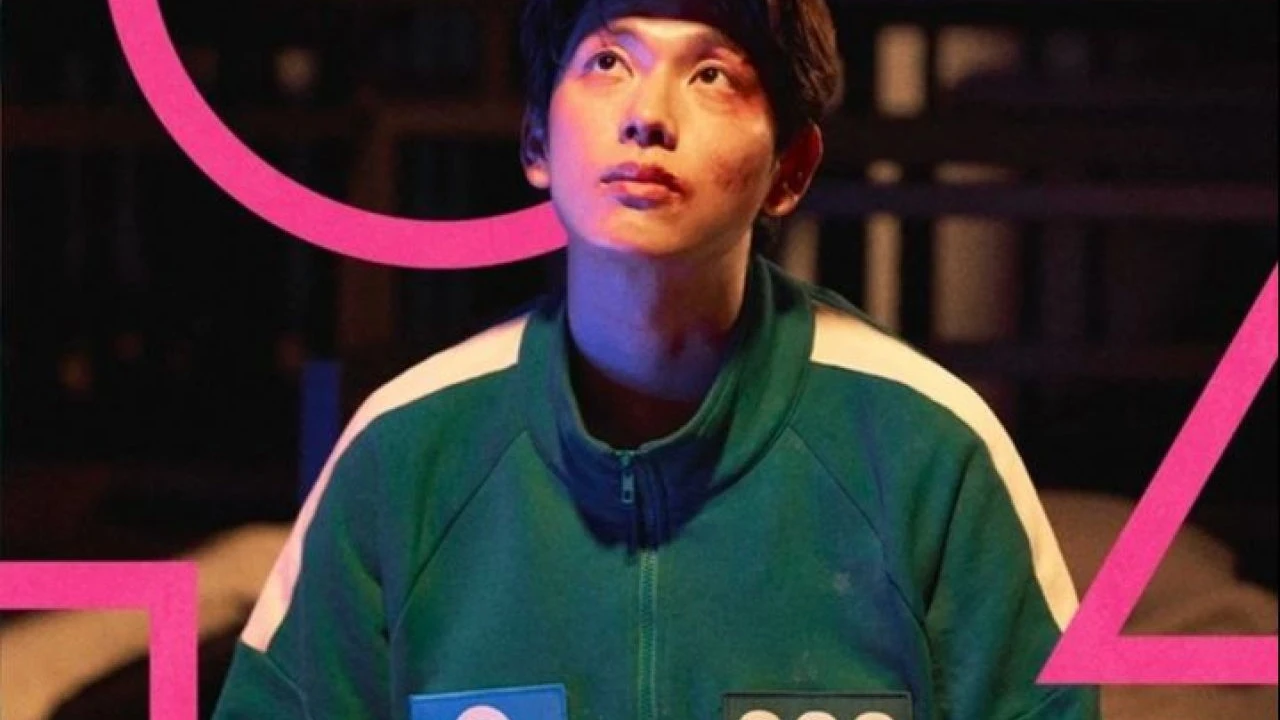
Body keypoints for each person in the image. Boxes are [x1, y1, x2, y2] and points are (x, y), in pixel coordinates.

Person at [213, 0, 1100, 718]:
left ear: (791, 168)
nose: (647, 116)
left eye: (712, 74)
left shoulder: (927, 451)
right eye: (608, 60)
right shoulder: (405, 451)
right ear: (535, 139)